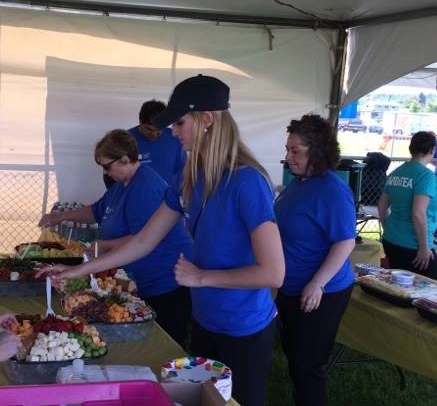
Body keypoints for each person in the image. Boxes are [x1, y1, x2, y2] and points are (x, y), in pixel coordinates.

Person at [39, 75, 285, 406]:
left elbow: (273, 273)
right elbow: (142, 242)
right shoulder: (189, 179)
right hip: (204, 320)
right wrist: (75, 271)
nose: (172, 131)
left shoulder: (247, 182)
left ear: (207, 120)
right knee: (196, 400)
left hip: (244, 330)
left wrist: (200, 277)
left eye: (180, 122)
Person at [39, 129, 194, 347]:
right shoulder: (122, 185)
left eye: (106, 166)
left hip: (165, 282)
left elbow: (143, 238)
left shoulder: (145, 186)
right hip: (143, 280)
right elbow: (96, 210)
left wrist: (105, 246)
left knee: (163, 343)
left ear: (124, 160)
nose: (104, 172)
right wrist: (59, 217)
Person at [274, 114, 356, 406]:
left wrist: (317, 284)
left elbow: (345, 241)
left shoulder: (332, 191)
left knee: (306, 364)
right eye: (287, 149)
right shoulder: (298, 182)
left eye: (295, 151)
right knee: (295, 355)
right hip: (291, 286)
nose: (287, 157)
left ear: (317, 152)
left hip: (322, 291)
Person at [378, 131, 437, 278]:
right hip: (415, 247)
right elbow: (418, 213)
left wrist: (388, 228)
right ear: (431, 150)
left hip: (391, 240)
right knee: (426, 294)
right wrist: (424, 247)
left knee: (399, 289)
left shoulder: (396, 172)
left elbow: (381, 206)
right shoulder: (425, 175)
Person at [104, 100, 186, 189]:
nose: (154, 134)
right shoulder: (124, 141)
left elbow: (183, 172)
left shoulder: (175, 138)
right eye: (149, 129)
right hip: (135, 198)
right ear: (140, 121)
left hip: (167, 199)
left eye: (159, 129)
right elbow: (109, 175)